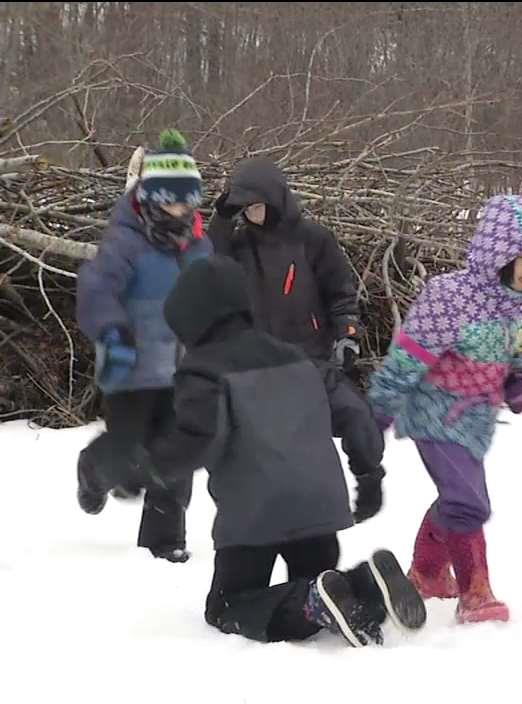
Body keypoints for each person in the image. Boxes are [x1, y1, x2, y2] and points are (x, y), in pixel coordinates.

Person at [90, 255, 425, 647]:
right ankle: (364, 584)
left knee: (228, 606)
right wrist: (369, 475)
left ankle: (314, 601)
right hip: (320, 511)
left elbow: (192, 440)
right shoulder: (302, 359)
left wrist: (141, 473)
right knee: (325, 591)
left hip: (254, 519)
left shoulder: (202, 371)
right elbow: (355, 414)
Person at [368, 194, 522, 624]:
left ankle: (429, 571)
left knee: (458, 498)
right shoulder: (450, 296)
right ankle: (476, 592)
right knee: (468, 501)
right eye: (521, 256)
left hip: (475, 420)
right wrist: (378, 409)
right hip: (433, 413)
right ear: (497, 255)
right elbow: (409, 355)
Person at [208, 157, 385, 521]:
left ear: (275, 200)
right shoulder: (238, 246)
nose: (251, 214)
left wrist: (347, 333)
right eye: (245, 208)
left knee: (356, 416)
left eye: (256, 206)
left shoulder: (314, 240)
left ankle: (369, 480)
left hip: (312, 360)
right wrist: (223, 217)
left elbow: (341, 294)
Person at [74, 129, 211, 563]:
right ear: (151, 199)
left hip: (183, 368)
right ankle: (93, 471)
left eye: (188, 202)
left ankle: (164, 543)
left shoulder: (200, 246)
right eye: (172, 201)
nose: (181, 210)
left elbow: (216, 297)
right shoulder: (125, 242)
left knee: (177, 452)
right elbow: (95, 291)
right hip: (129, 364)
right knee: (128, 450)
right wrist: (113, 333)